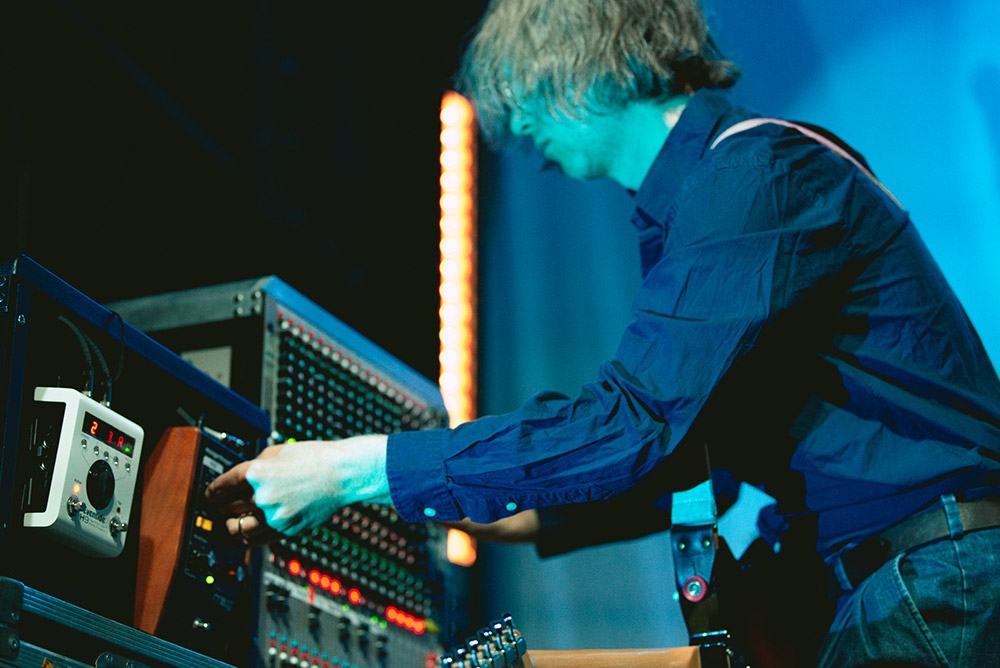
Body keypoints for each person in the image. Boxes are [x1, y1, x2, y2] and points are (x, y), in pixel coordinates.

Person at [206, 0, 1000, 665]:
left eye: (519, 93)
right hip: (915, 579)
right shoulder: (722, 191)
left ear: (580, 69)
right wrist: (496, 505)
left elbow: (633, 426)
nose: (516, 131)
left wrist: (356, 468)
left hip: (934, 576)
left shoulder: (752, 174)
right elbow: (694, 467)